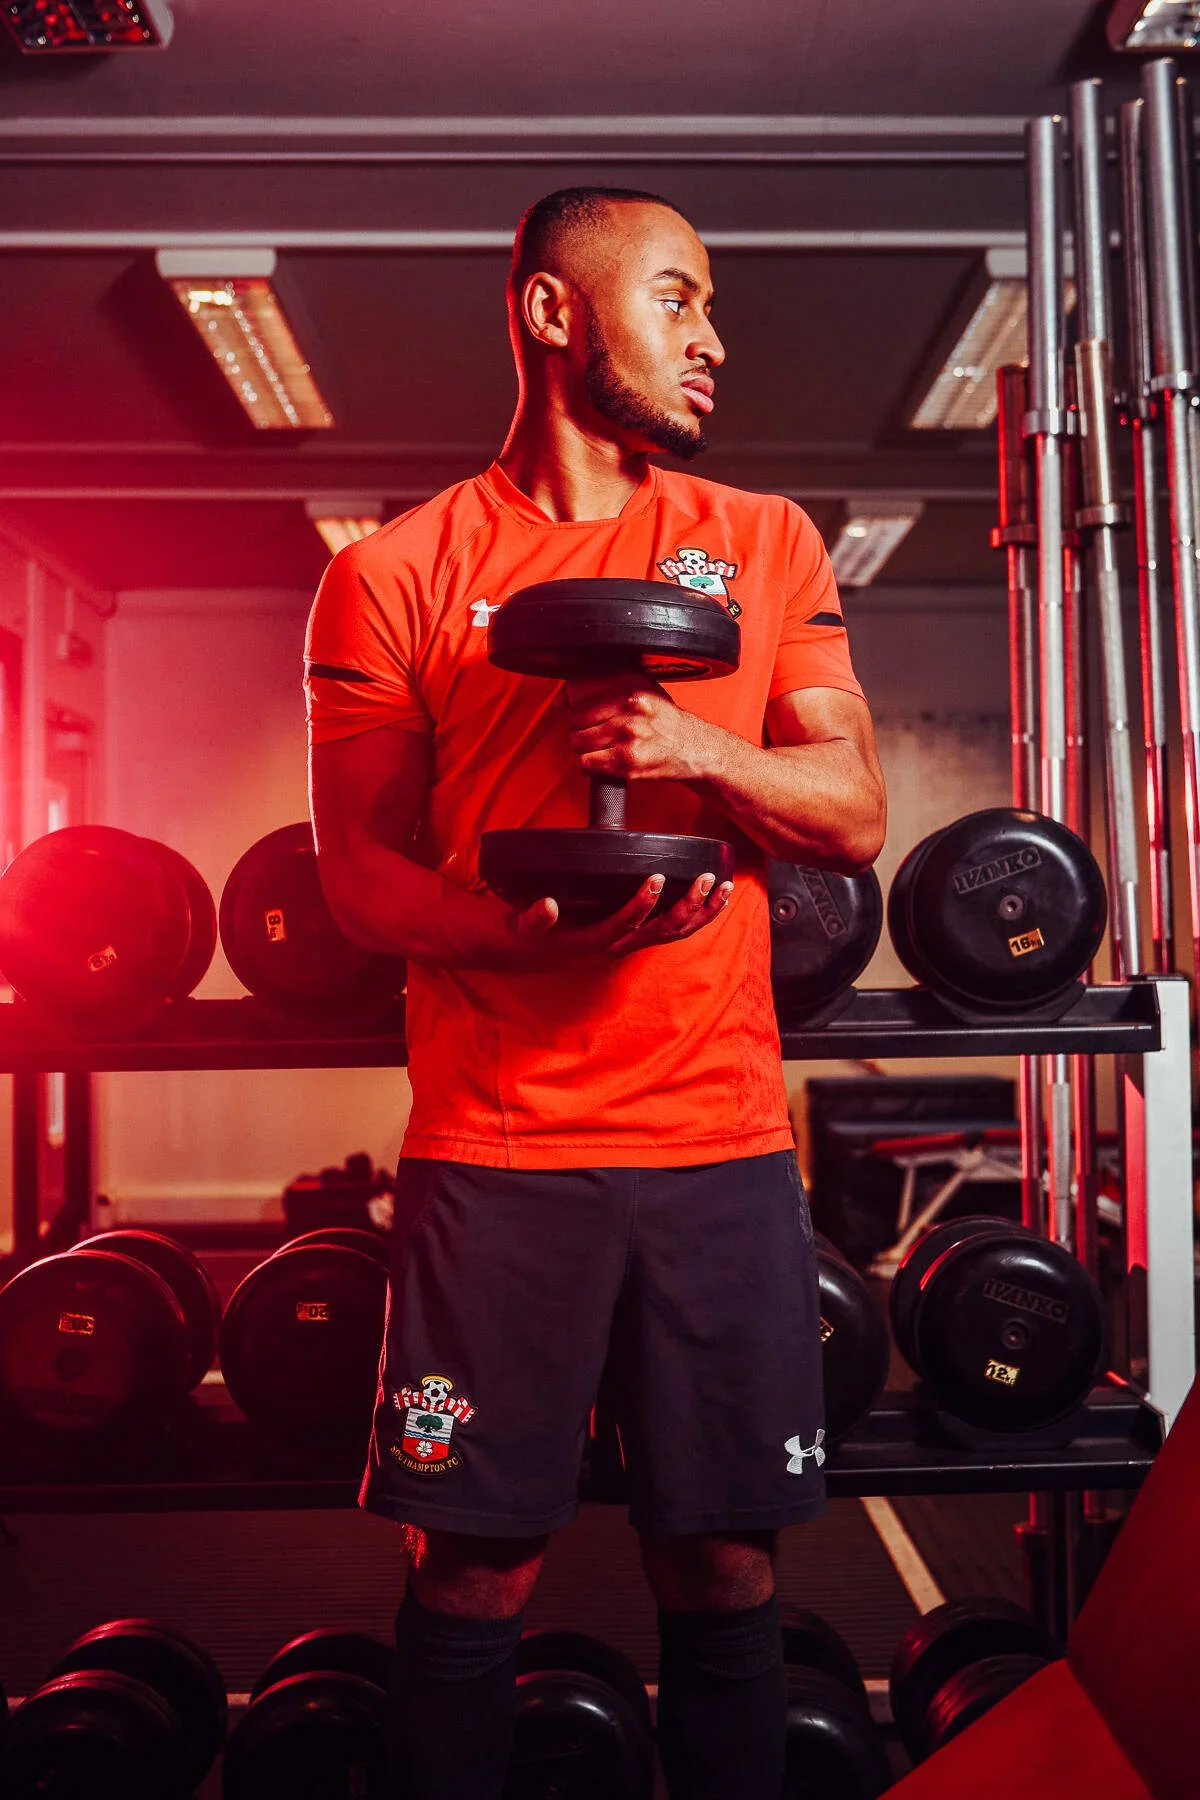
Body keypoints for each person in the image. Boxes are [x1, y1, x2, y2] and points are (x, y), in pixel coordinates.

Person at [305, 186, 886, 1800]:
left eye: (711, 311)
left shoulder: (765, 542)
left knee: (726, 1566)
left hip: (717, 1147)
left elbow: (852, 812)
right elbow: (357, 879)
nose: (714, 341)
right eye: (680, 299)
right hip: (499, 1160)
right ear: (558, 315)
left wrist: (692, 747)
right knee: (475, 1571)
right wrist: (518, 935)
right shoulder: (394, 576)